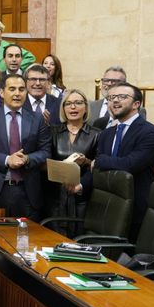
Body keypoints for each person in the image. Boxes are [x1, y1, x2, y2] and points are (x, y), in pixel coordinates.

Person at [75, 82, 154, 240]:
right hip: (107, 206)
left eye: (122, 97)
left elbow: (130, 165)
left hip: (135, 207)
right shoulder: (106, 134)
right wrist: (81, 185)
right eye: (111, 97)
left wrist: (100, 160)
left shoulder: (150, 132)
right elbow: (97, 170)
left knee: (127, 260)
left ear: (136, 104)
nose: (115, 101)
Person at [0, 74, 52, 220]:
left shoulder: (37, 119)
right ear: (3, 93)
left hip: (27, 192)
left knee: (27, 240)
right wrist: (6, 159)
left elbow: (46, 151)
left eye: (21, 89)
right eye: (12, 89)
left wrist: (27, 158)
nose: (17, 93)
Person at [47, 89, 99, 223]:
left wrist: (86, 161)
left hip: (83, 196)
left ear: (86, 107)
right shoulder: (52, 131)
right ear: (63, 109)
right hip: (55, 195)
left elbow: (98, 166)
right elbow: (44, 161)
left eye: (78, 103)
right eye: (68, 103)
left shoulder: (97, 134)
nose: (73, 107)